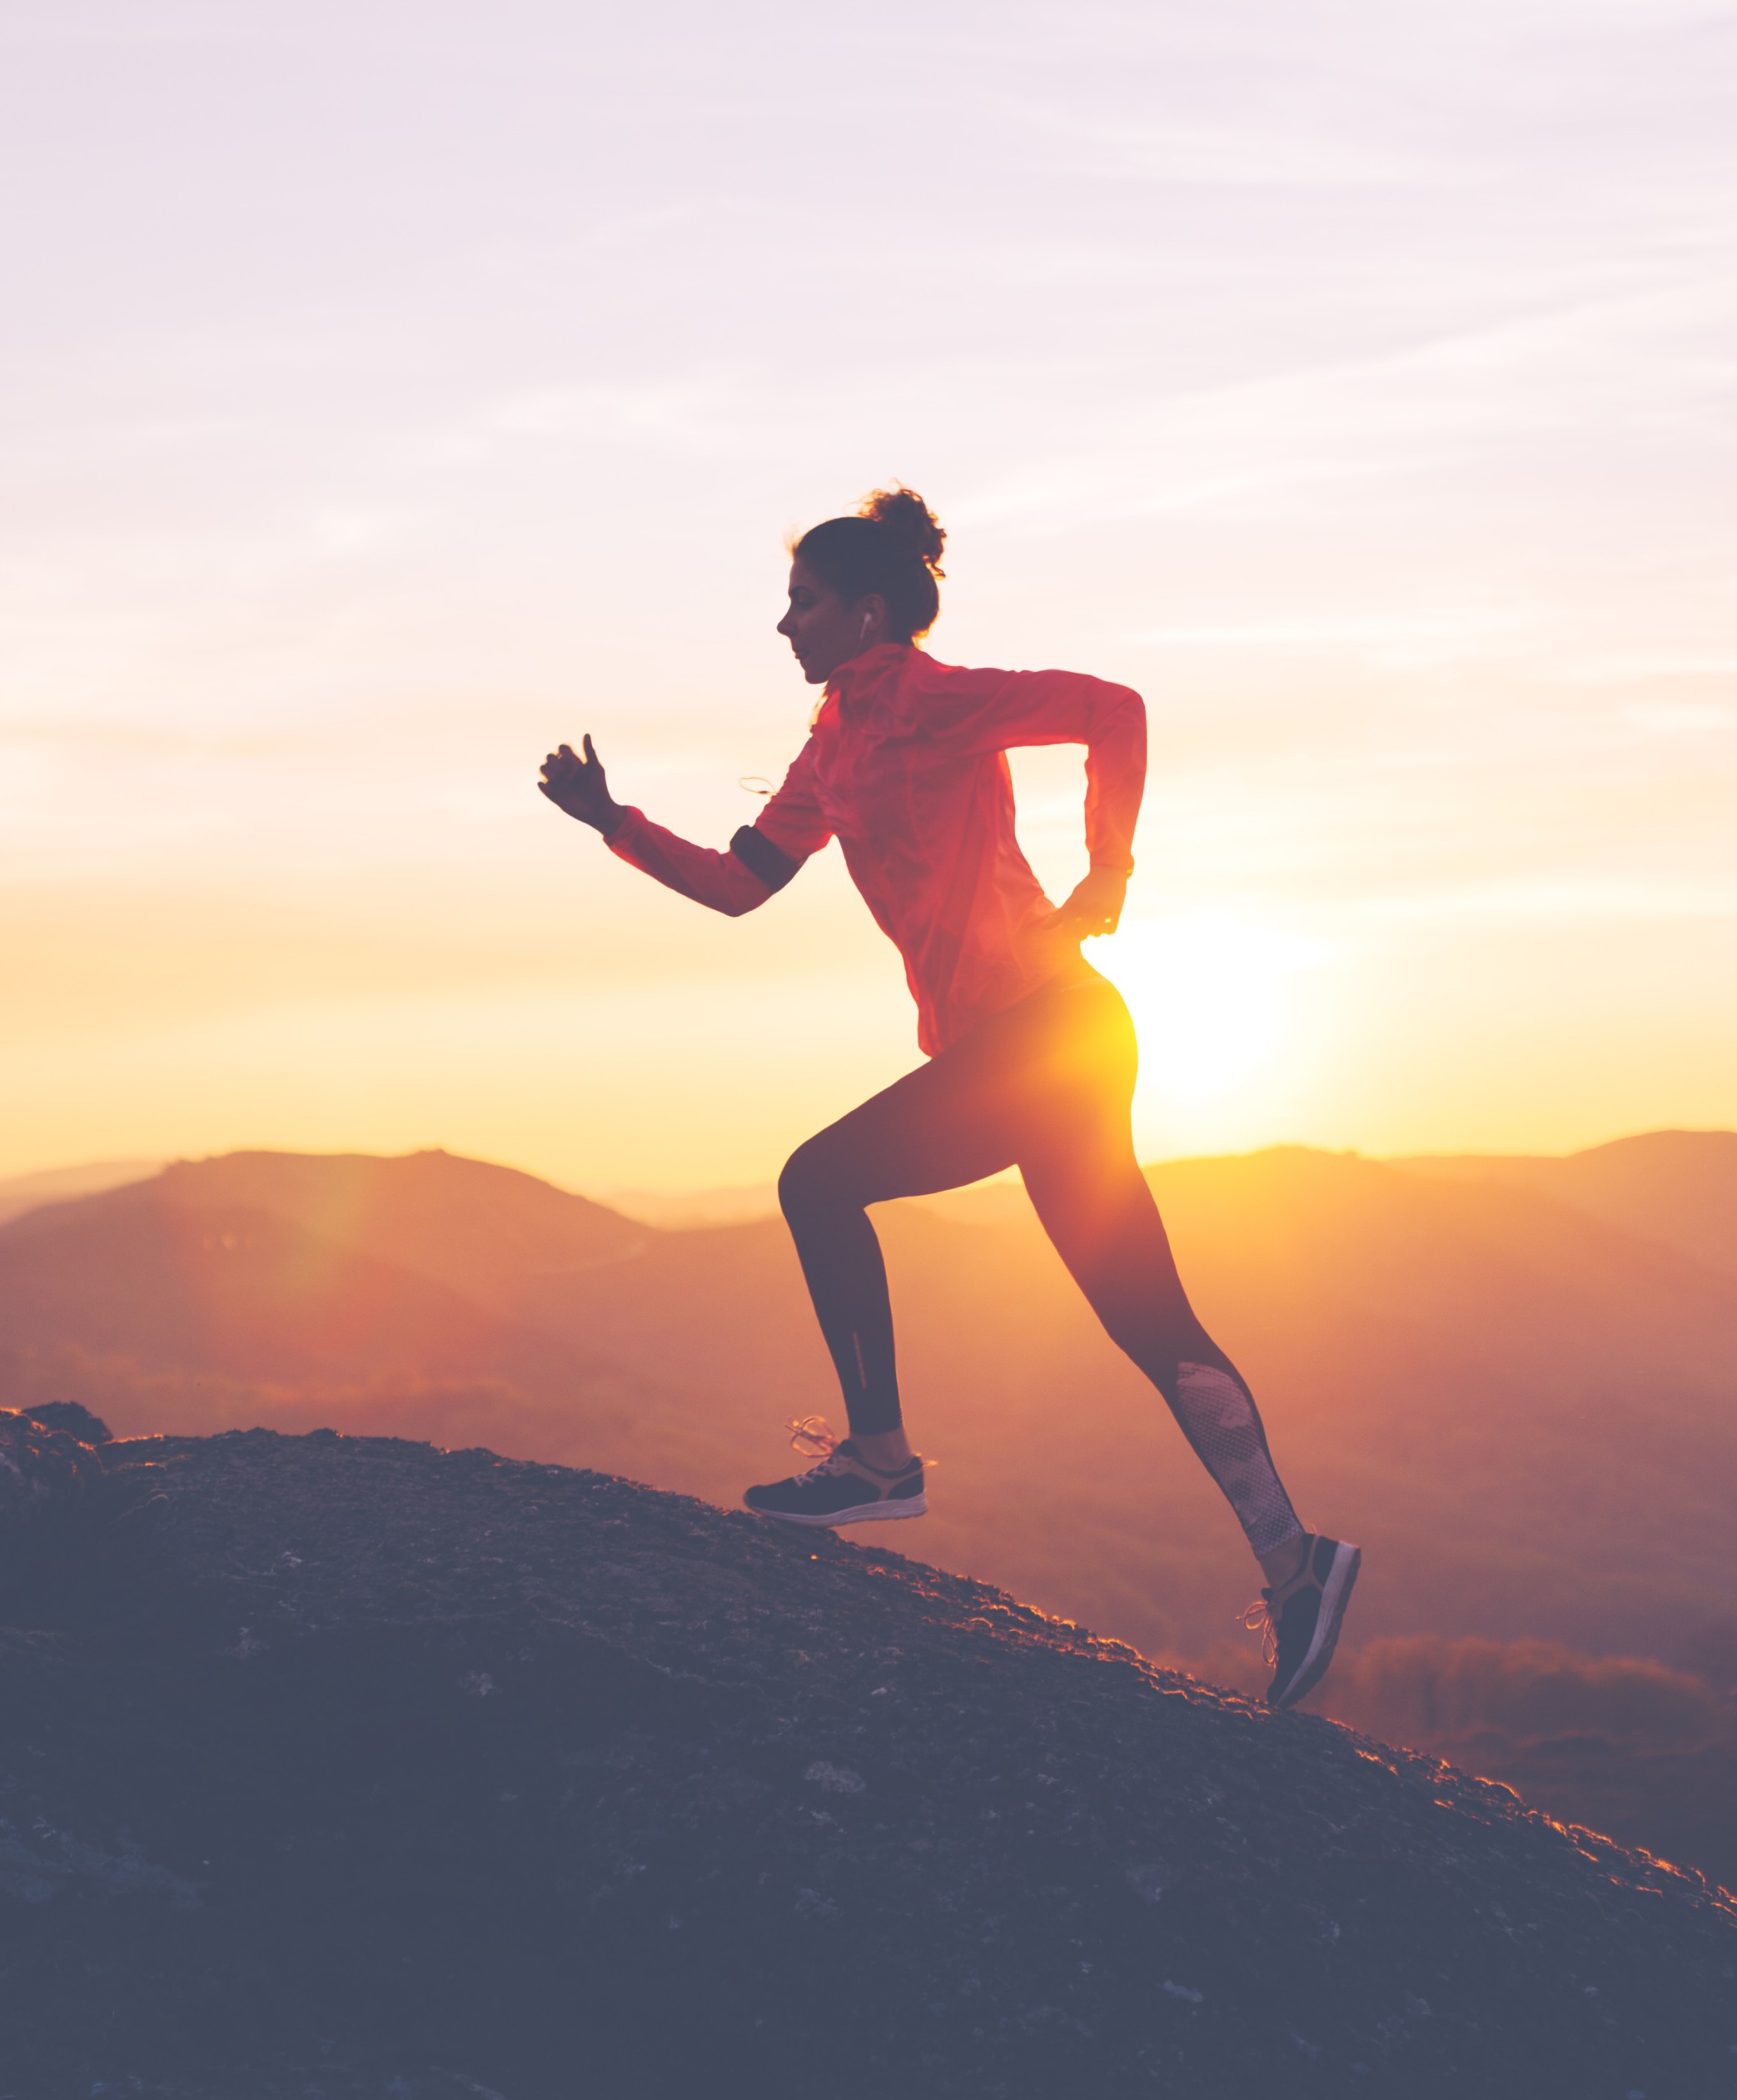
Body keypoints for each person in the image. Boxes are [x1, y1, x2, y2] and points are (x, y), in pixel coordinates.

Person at [535, 487, 1359, 1709]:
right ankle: (1299, 1566)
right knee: (1146, 1322)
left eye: (802, 602)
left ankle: (878, 1458)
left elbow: (1114, 711)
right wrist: (616, 822)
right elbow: (740, 885)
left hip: (1051, 1030)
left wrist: (1108, 874)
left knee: (819, 1182)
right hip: (1027, 1049)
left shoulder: (936, 697)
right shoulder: (833, 750)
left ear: (866, 611)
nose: (783, 624)